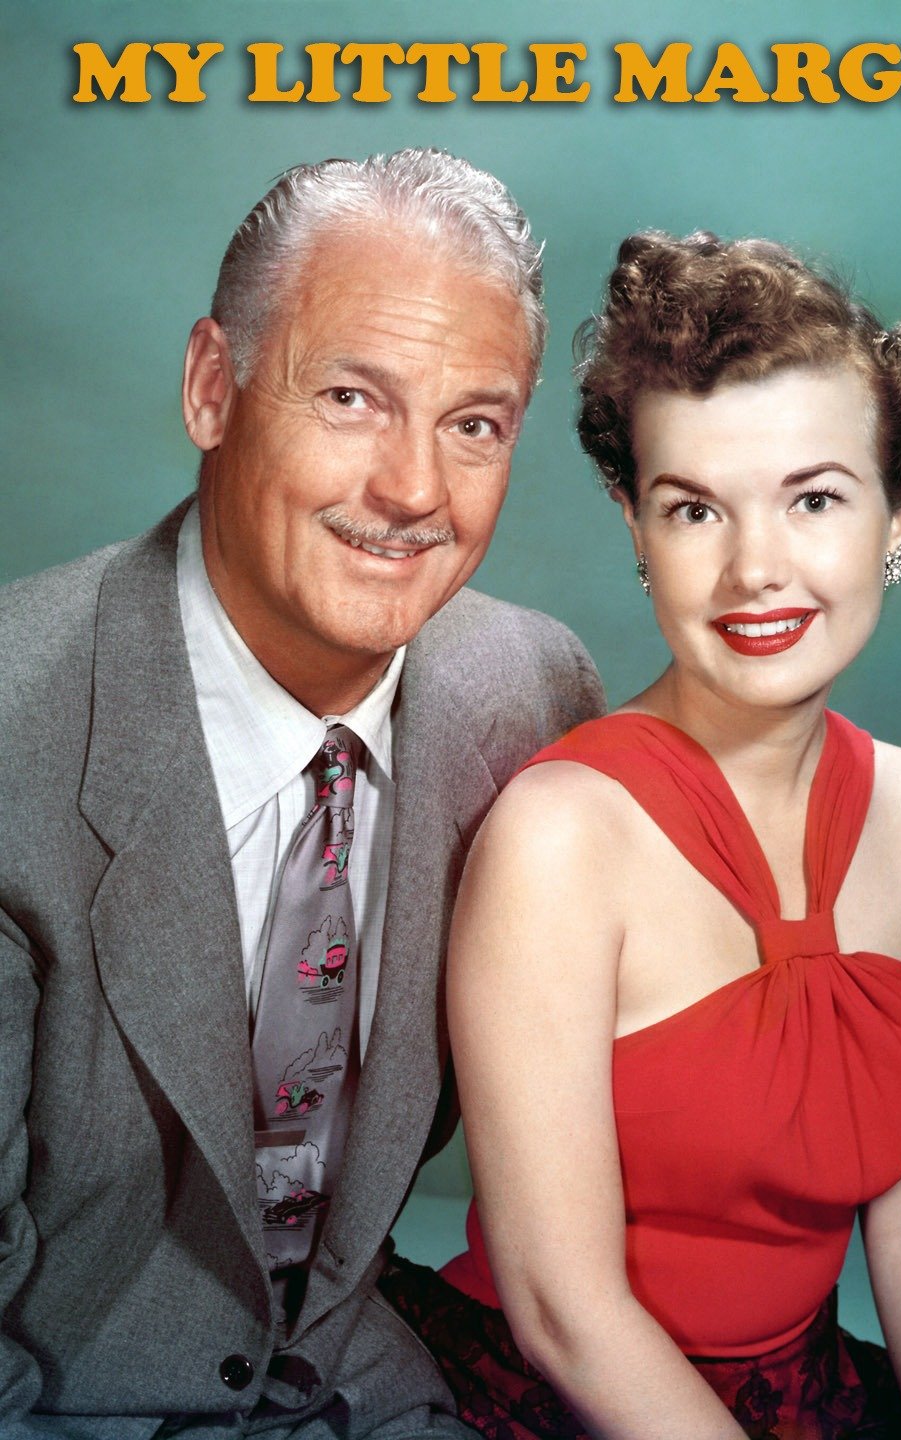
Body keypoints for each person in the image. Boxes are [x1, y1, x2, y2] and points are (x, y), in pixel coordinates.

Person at [0, 150, 604, 1438]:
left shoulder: (535, 696)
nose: (414, 491)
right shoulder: (12, 736)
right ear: (211, 387)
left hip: (359, 1384)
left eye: (475, 424)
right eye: (350, 397)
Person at [380, 233, 901, 1438]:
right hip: (555, 1403)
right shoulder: (560, 838)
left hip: (806, 1395)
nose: (755, 569)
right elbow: (564, 1311)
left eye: (814, 498)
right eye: (694, 509)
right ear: (635, 524)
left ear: (900, 517)